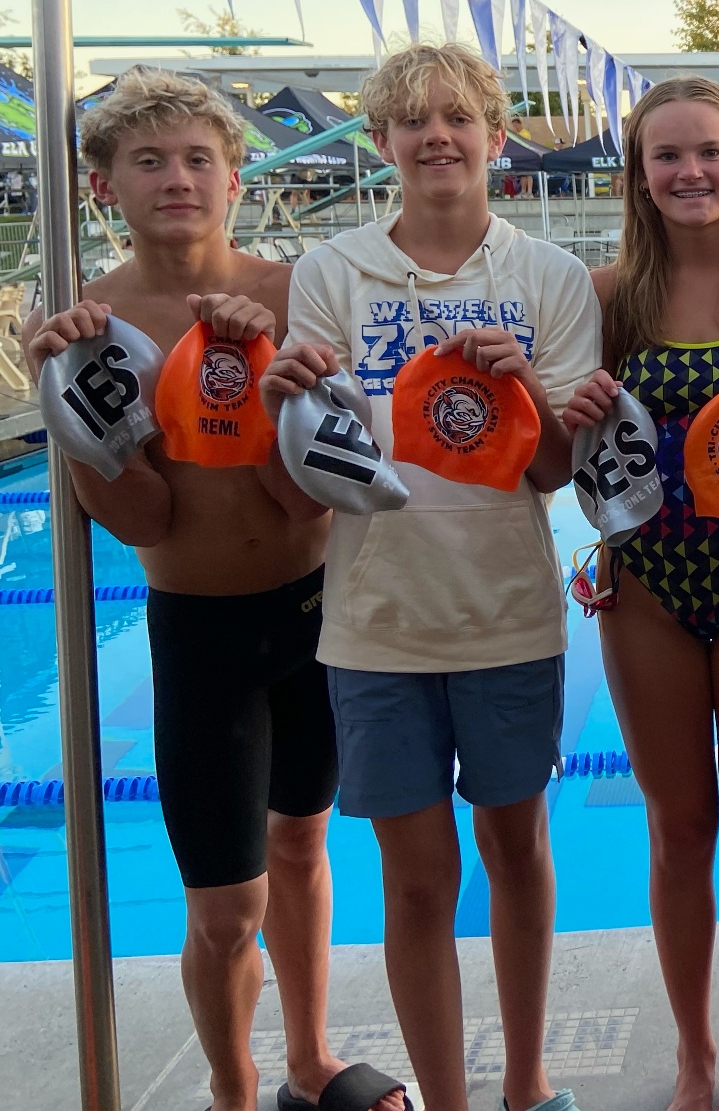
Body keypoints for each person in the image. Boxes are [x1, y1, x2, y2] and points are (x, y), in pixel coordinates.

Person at [24, 68, 405, 1111]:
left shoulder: (294, 294)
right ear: (103, 186)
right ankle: (233, 1089)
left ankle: (310, 1061)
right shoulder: (92, 326)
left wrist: (263, 369)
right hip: (197, 631)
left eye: (198, 159)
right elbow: (144, 521)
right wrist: (75, 411)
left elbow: (307, 499)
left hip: (312, 614)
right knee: (227, 907)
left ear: (236, 180)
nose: (177, 179)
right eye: (148, 161)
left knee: (303, 843)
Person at [260, 44, 599, 1111]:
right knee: (415, 882)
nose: (437, 136)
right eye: (413, 120)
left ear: (496, 137)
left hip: (506, 612)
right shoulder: (332, 274)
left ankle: (527, 1085)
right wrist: (282, 402)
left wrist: (526, 390)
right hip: (376, 623)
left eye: (458, 117)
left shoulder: (551, 279)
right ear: (382, 142)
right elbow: (316, 469)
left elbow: (557, 470)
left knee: (516, 854)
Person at [558, 78, 719, 1111]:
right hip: (646, 582)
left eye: (711, 151)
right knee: (677, 828)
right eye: (667, 154)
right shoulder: (605, 296)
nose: (691, 171)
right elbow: (556, 459)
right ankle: (694, 1053)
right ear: (638, 174)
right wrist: (564, 406)